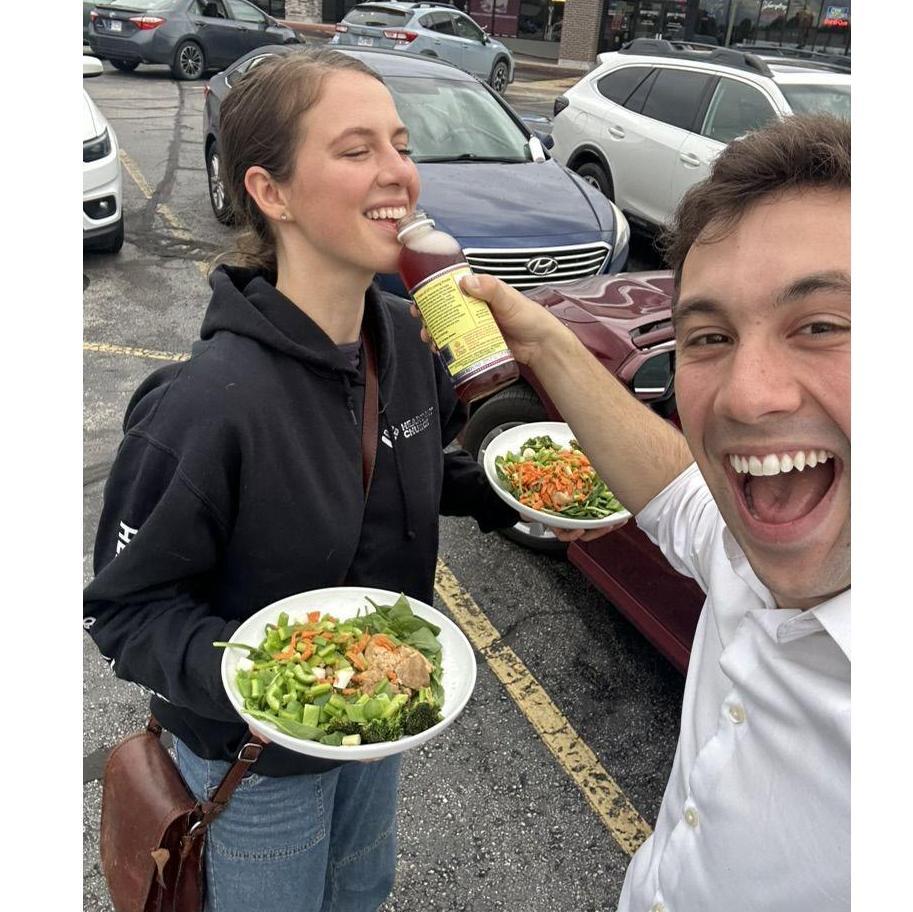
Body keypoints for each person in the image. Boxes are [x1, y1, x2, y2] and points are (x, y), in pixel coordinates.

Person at [83, 49, 518, 912]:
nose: (397, 171)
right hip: (253, 759)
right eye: (355, 151)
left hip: (377, 726)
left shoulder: (401, 335)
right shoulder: (204, 407)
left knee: (362, 892)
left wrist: (509, 496)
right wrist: (262, 686)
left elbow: (406, 466)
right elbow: (125, 612)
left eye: (399, 144)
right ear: (270, 193)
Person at [450, 114, 851, 910]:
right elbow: (675, 491)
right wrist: (543, 342)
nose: (744, 394)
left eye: (822, 326)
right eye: (707, 337)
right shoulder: (745, 548)